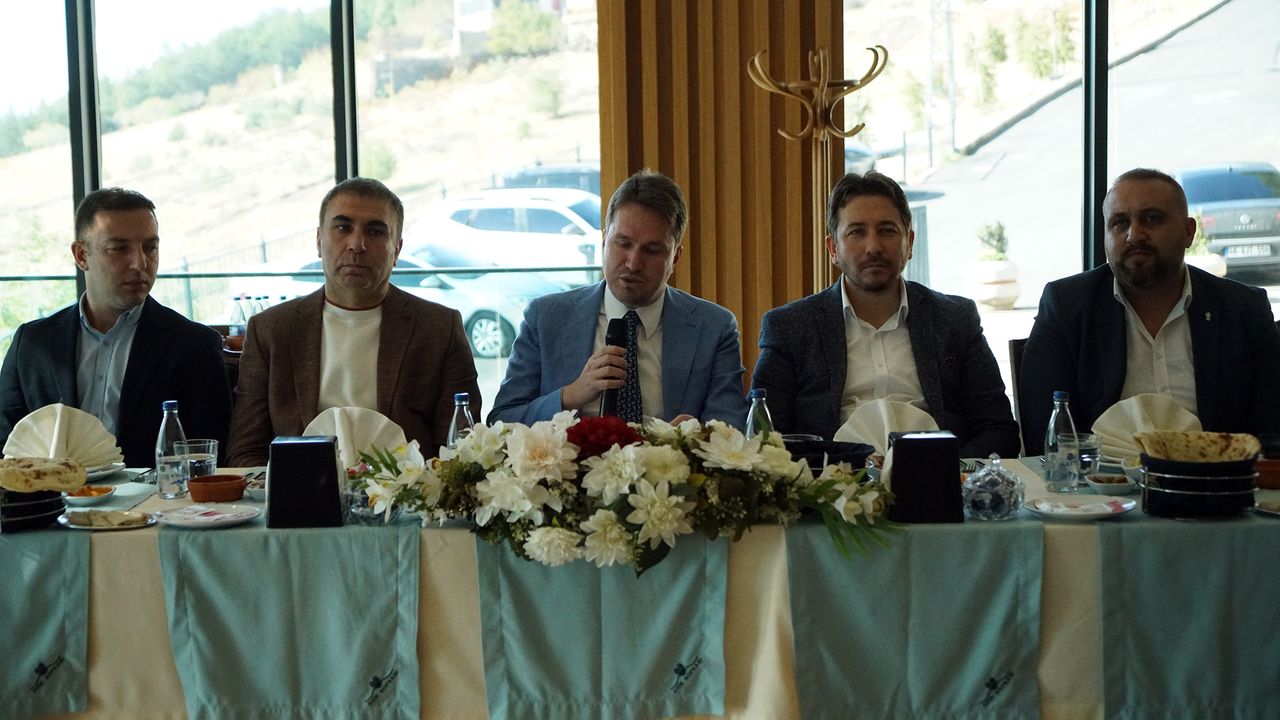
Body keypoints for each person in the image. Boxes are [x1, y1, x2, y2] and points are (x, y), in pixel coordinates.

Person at [751, 172, 1021, 459]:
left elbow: (998, 429)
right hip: (833, 479)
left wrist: (954, 471)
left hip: (940, 476)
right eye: (856, 232)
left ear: (910, 242)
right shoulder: (790, 327)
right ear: (833, 249)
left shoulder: (954, 320)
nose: (873, 247)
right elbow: (764, 436)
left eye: (887, 230)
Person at [1019, 167, 1280, 454]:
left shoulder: (1243, 308)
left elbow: (1272, 427)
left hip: (1216, 476)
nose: (1134, 235)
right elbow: (1046, 431)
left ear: (1188, 232)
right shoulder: (1067, 306)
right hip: (1100, 478)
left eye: (1152, 219)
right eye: (1119, 223)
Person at [224, 178, 480, 466]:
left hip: (410, 490)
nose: (357, 244)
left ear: (397, 249)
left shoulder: (438, 329)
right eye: (343, 228)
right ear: (319, 241)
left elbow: (460, 450)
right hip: (301, 488)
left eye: (375, 231)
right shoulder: (271, 330)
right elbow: (245, 452)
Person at [488, 169, 749, 427]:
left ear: (675, 257)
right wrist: (569, 396)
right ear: (604, 241)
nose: (633, 263)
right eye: (623, 244)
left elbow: (731, 427)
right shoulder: (546, 318)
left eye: (652, 250)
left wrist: (692, 437)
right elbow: (502, 418)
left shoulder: (713, 327)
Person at [0, 188, 232, 467]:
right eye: (120, 249)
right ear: (81, 255)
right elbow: (5, 446)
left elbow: (206, 457)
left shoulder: (193, 345)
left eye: (150, 247)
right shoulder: (32, 343)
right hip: (49, 492)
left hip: (152, 493)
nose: (140, 262)